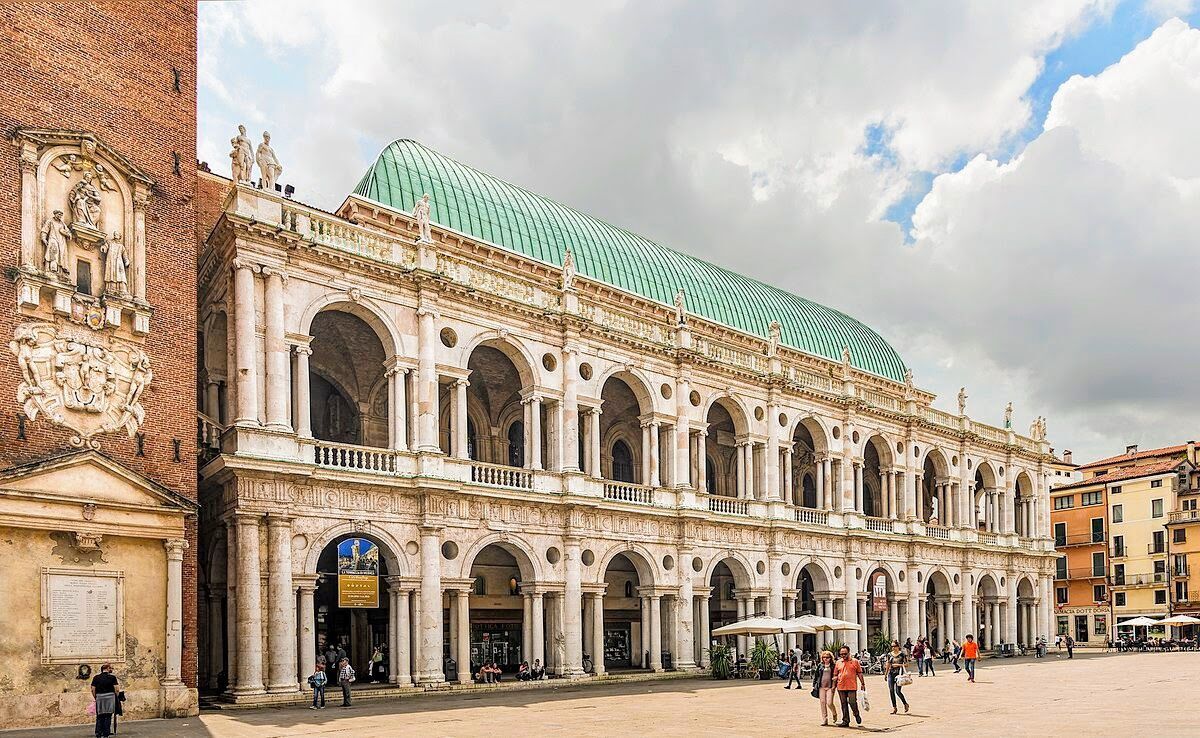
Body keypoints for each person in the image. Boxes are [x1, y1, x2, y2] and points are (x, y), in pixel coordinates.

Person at [834, 645, 866, 728]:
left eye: (845, 654)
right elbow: (835, 674)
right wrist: (834, 685)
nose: (843, 656)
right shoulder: (838, 662)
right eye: (841, 654)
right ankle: (845, 720)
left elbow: (859, 673)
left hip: (851, 686)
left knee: (852, 702)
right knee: (843, 703)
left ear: (849, 653)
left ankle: (856, 714)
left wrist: (863, 683)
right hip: (841, 686)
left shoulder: (855, 661)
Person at [90, 663, 119, 738]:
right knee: (108, 715)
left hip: (99, 697)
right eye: (111, 668)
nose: (111, 670)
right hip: (110, 697)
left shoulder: (96, 677)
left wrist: (95, 697)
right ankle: (106, 733)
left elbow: (93, 689)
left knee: (100, 715)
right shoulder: (112, 677)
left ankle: (98, 732)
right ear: (108, 668)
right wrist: (116, 697)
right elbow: (116, 689)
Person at [811, 649, 838, 727]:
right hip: (821, 686)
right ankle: (824, 719)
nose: (825, 659)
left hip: (830, 687)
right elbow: (816, 675)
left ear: (830, 658)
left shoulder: (833, 666)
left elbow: (836, 675)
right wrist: (814, 684)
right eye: (824, 657)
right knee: (822, 703)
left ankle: (834, 713)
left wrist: (834, 685)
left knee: (829, 703)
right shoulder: (820, 665)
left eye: (827, 657)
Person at [883, 640, 910, 715]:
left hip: (899, 675)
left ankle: (905, 704)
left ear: (898, 646)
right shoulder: (889, 655)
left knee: (898, 691)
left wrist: (898, 665)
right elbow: (888, 664)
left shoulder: (902, 655)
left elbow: (907, 664)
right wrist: (885, 674)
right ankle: (894, 708)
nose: (893, 648)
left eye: (894, 646)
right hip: (891, 674)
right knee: (891, 690)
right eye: (892, 646)